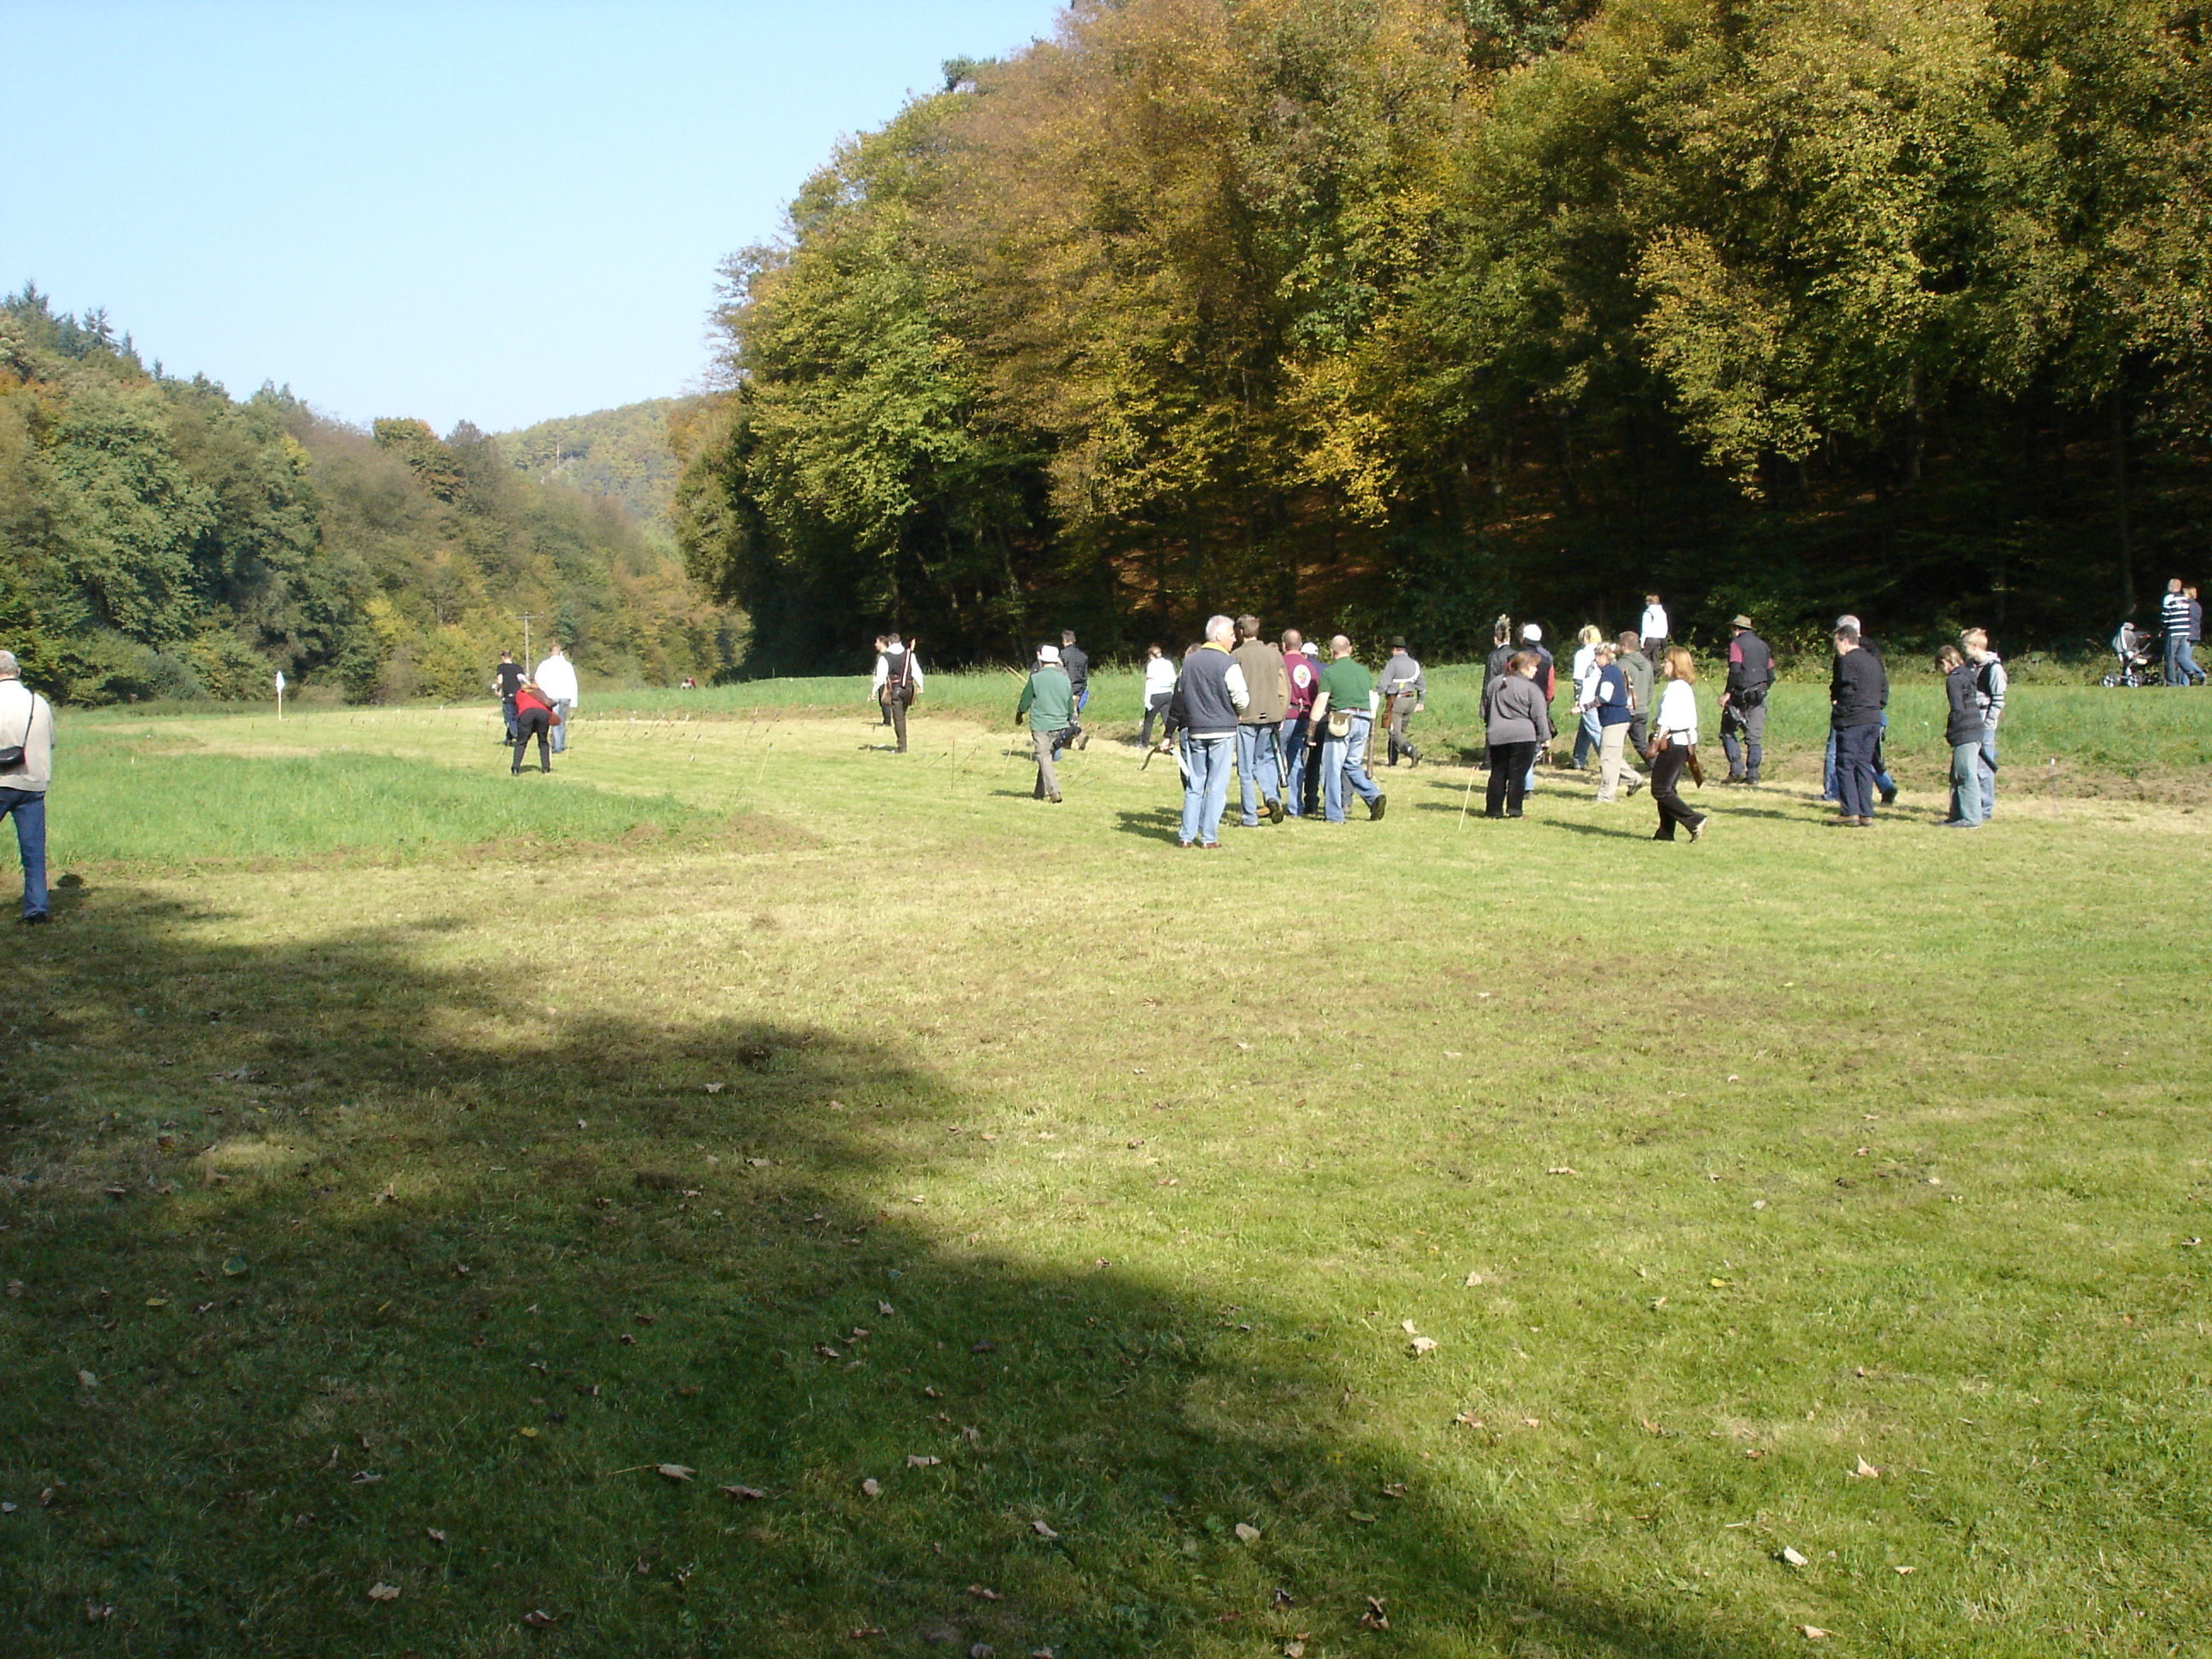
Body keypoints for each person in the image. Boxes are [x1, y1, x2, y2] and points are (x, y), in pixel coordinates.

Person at [1176, 614, 1249, 847]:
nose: (1235, 639)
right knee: (1217, 786)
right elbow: (1241, 698)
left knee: (1195, 785)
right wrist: (1237, 711)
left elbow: (1181, 691)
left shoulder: (1189, 662)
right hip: (1222, 730)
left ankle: (1186, 836)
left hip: (1195, 729)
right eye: (1231, 635)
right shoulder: (1228, 663)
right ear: (1218, 636)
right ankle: (1209, 837)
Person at [1305, 634, 1387, 824]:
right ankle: (1373, 795)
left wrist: (1311, 729)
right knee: (1352, 764)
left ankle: (1334, 814)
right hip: (1364, 718)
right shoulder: (1364, 671)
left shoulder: (1329, 673)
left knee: (1331, 768)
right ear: (1350, 650)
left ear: (1331, 652)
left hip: (1341, 721)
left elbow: (1321, 701)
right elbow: (1371, 695)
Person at [0, 651, 53, 924]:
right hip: (32, 783)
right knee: (33, 852)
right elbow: (51, 740)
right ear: (17, 671)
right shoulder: (38, 702)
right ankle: (36, 909)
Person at [1820, 615, 1896, 804]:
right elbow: (1881, 680)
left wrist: (1837, 704)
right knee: (1867, 755)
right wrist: (1879, 704)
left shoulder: (1847, 655)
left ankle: (1833, 792)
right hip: (1872, 708)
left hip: (1851, 710)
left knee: (1837, 752)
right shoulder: (1872, 651)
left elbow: (1842, 682)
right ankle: (1885, 787)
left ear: (1844, 636)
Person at [1231, 615, 1289, 825]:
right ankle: (1272, 797)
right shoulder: (1274, 655)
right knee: (1264, 761)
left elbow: (1231, 688)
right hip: (1270, 716)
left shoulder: (1236, 656)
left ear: (1240, 632)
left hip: (1246, 717)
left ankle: (1249, 816)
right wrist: (1280, 713)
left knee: (1245, 769)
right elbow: (1284, 688)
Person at [1828, 623, 1886, 826]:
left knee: (1845, 764)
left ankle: (1850, 811)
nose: (1836, 648)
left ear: (1845, 640)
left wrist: (1840, 710)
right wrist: (1876, 706)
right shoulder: (1873, 661)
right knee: (1863, 765)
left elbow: (1847, 688)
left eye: (1837, 643)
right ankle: (1866, 812)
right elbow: (1884, 690)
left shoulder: (1848, 661)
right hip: (1873, 718)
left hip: (1853, 719)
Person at [1481, 649, 1551, 818]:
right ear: (1524, 667)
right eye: (1533, 666)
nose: (1536, 670)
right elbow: (1540, 716)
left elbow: (1485, 710)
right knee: (1517, 775)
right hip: (1523, 736)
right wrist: (1545, 737)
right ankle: (1514, 810)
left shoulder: (1495, 683)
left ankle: (1493, 810)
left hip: (1497, 735)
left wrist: (1492, 725)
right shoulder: (1531, 688)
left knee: (1497, 774)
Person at [1650, 647, 1708, 842]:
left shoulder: (1675, 688)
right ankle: (1665, 833)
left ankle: (1694, 819)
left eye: (1667, 662)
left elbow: (1665, 719)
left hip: (1674, 742)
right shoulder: (1683, 687)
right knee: (1668, 788)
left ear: (1676, 665)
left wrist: (1655, 740)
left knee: (1660, 789)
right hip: (1684, 741)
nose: (1663, 665)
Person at [1015, 644, 1074, 803]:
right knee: (1046, 758)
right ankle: (1039, 792)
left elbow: (1025, 701)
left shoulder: (1036, 678)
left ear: (1041, 660)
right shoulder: (1065, 679)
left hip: (1040, 724)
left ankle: (1054, 791)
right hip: (1060, 724)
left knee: (1044, 757)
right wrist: (1069, 720)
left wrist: (1019, 715)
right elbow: (1070, 705)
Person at [1719, 614, 1773, 784]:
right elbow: (1771, 674)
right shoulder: (1763, 646)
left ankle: (1736, 770)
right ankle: (1753, 775)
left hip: (1740, 695)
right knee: (1753, 737)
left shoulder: (1736, 644)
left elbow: (1735, 670)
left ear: (1736, 629)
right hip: (1759, 695)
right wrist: (1762, 688)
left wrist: (1727, 693)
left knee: (1727, 731)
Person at [1588, 643, 1643, 802]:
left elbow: (1604, 697)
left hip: (1614, 720)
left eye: (1596, 657)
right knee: (1612, 755)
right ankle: (1634, 779)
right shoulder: (1614, 671)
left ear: (1603, 657)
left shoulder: (1609, 674)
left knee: (1607, 759)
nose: (1595, 660)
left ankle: (1606, 795)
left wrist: (1584, 707)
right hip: (1619, 719)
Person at [1938, 644, 1984, 829]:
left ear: (1946, 661)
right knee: (1957, 774)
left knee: (1965, 774)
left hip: (1965, 730)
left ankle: (1971, 818)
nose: (1942, 671)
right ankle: (1956, 815)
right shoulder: (1967, 674)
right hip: (1975, 728)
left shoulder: (1954, 680)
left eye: (1941, 666)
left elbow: (1957, 709)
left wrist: (1951, 731)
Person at [1962, 626, 2005, 821]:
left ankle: (1985, 808)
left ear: (1974, 646)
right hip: (1971, 719)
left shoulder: (1994, 669)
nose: (1963, 650)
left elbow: (1998, 700)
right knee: (1971, 765)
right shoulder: (1970, 666)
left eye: (1965, 646)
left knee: (1984, 767)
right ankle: (1972, 805)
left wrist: (1989, 723)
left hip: (1985, 720)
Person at [1280, 629, 1322, 817]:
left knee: (1273, 759)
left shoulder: (1281, 663)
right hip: (1304, 716)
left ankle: (1273, 800)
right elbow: (1315, 693)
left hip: (1285, 716)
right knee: (1296, 760)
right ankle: (1295, 806)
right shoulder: (1309, 667)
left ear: (1284, 645)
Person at [870, 632, 923, 753]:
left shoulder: (885, 657)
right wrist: (921, 685)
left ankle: (902, 748)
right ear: (900, 642)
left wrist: (874, 691)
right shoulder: (909, 655)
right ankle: (902, 744)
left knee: (899, 719)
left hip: (896, 690)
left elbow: (880, 677)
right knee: (902, 716)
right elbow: (916, 671)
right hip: (909, 689)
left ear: (889, 643)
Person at [1378, 637, 1426, 768]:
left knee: (1394, 733)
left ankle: (1412, 752)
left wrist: (1375, 693)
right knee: (1399, 733)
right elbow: (1421, 685)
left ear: (1394, 649)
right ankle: (1392, 762)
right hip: (1410, 701)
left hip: (1396, 701)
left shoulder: (1392, 663)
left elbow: (1384, 684)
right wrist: (1420, 701)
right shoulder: (1414, 664)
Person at [1520, 624, 1555, 795]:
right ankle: (1527, 783)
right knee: (1532, 745)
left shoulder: (1516, 657)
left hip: (1519, 707)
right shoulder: (1547, 659)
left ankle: (1525, 784)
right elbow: (1550, 689)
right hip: (1539, 706)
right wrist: (1545, 704)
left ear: (1524, 638)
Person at [1567, 626, 1604, 768]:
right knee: (1585, 728)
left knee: (1595, 730)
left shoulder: (1582, 654)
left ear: (1586, 638)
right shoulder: (1604, 651)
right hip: (1601, 695)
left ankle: (1608, 760)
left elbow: (1578, 678)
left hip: (1587, 696)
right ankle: (1578, 757)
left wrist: (1577, 698)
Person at [1615, 632, 1655, 763]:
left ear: (1625, 646)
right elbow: (1650, 688)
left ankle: (1615, 768)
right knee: (1642, 745)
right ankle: (1658, 768)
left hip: (1625, 711)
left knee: (1615, 744)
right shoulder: (1647, 664)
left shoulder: (1621, 664)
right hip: (1642, 710)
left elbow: (1617, 689)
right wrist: (1643, 703)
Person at [533, 642, 579, 754]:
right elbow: (573, 683)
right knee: (562, 721)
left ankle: (557, 746)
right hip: (565, 696)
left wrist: (540, 697)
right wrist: (574, 701)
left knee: (554, 721)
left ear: (550, 652)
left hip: (551, 696)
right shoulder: (567, 666)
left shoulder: (544, 665)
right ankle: (561, 743)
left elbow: (538, 681)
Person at [2161, 578, 2203, 684]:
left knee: (2170, 657)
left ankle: (2171, 682)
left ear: (2170, 587)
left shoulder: (2169, 598)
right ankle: (2191, 672)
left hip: (2174, 631)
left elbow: (2166, 616)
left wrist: (2163, 627)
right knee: (2180, 656)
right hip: (2185, 631)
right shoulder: (2184, 599)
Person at [510, 678, 556, 774]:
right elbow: (548, 705)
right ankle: (546, 768)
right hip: (543, 714)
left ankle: (515, 768)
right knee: (543, 742)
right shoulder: (540, 692)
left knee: (521, 742)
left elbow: (518, 707)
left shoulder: (520, 693)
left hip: (526, 713)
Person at [1058, 630, 1091, 749]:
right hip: (1079, 690)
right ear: (1074, 640)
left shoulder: (1062, 655)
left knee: (1067, 717)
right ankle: (1067, 743)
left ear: (1064, 641)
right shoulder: (1083, 656)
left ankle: (1079, 735)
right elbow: (1085, 675)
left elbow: (1059, 673)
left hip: (1066, 689)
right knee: (1073, 715)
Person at [1139, 643, 1176, 748]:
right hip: (1168, 693)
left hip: (1156, 694)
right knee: (1167, 720)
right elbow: (1173, 679)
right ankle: (1171, 742)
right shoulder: (1168, 663)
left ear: (1151, 655)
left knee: (1149, 720)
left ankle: (1144, 743)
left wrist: (1147, 700)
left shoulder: (1152, 665)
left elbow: (1149, 682)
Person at [491, 650, 525, 743]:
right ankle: (508, 739)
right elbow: (523, 680)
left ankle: (517, 735)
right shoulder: (518, 667)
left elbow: (500, 681)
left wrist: (497, 689)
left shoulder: (501, 667)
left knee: (509, 719)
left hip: (508, 695)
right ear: (511, 657)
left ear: (502, 657)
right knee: (517, 716)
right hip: (519, 696)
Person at [1639, 593, 1669, 657]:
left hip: (1650, 639)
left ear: (1649, 602)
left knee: (1642, 657)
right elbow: (1665, 627)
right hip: (1661, 639)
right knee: (1656, 659)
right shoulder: (1663, 613)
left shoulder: (1648, 613)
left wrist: (1642, 642)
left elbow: (1645, 629)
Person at [871, 636, 892, 725]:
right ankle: (887, 719)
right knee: (883, 701)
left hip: (885, 681)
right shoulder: (880, 655)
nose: (875, 644)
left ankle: (887, 721)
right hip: (882, 680)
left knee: (885, 701)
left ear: (882, 643)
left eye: (877, 642)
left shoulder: (886, 656)